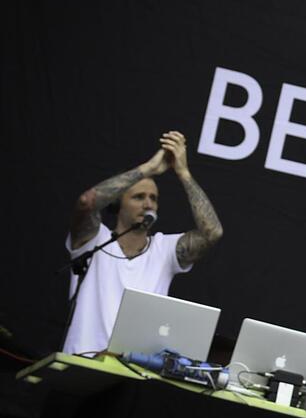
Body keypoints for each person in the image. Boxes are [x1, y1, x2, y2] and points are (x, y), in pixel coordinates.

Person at [64, 130, 224, 356]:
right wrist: (148, 169)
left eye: (154, 198)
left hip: (131, 373)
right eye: (139, 197)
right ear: (118, 204)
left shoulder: (164, 250)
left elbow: (212, 233)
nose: (148, 204)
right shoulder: (94, 239)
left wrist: (184, 173)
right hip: (81, 363)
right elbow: (86, 202)